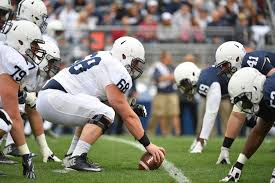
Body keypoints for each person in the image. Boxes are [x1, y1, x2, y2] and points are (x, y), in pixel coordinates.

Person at [36, 36, 165, 171]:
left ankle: (71, 156)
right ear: (123, 55)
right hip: (56, 97)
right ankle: (77, 158)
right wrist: (148, 144)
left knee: (94, 110)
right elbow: (127, 116)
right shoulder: (117, 68)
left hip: (51, 96)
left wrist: (129, 107)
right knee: (105, 112)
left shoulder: (104, 57)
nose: (135, 67)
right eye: (135, 62)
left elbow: (109, 101)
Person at [2, 0, 61, 163]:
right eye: (34, 46)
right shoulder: (14, 54)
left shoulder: (16, 37)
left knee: (17, 107)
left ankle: (11, 145)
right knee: (7, 116)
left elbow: (31, 107)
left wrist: (44, 149)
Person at [0, 20, 46, 179]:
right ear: (20, 41)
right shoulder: (13, 59)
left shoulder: (4, 51)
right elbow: (12, 114)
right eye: (34, 44)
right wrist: (26, 155)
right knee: (4, 121)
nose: (37, 48)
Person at [216, 50, 275, 164]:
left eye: (224, 65)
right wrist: (225, 148)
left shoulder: (251, 60)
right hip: (266, 92)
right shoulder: (242, 75)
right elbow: (237, 113)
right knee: (255, 121)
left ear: (236, 59)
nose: (223, 69)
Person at [188, 41, 246, 153]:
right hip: (216, 93)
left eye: (224, 64)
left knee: (229, 121)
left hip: (224, 96)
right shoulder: (209, 78)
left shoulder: (208, 78)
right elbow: (211, 111)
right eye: (221, 65)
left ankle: (213, 143)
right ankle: (201, 141)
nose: (223, 69)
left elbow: (211, 112)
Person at [220, 67, 275, 182]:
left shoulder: (270, 92)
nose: (243, 105)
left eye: (243, 99)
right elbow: (259, 131)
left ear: (254, 88)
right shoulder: (262, 96)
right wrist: (238, 166)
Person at [149, 51, 180, 136]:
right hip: (161, 94)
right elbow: (158, 78)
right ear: (163, 58)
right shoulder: (158, 67)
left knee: (174, 113)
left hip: (172, 93)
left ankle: (177, 132)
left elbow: (176, 78)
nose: (170, 59)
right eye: (168, 58)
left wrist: (168, 77)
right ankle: (164, 132)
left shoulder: (171, 67)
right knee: (162, 114)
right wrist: (170, 77)